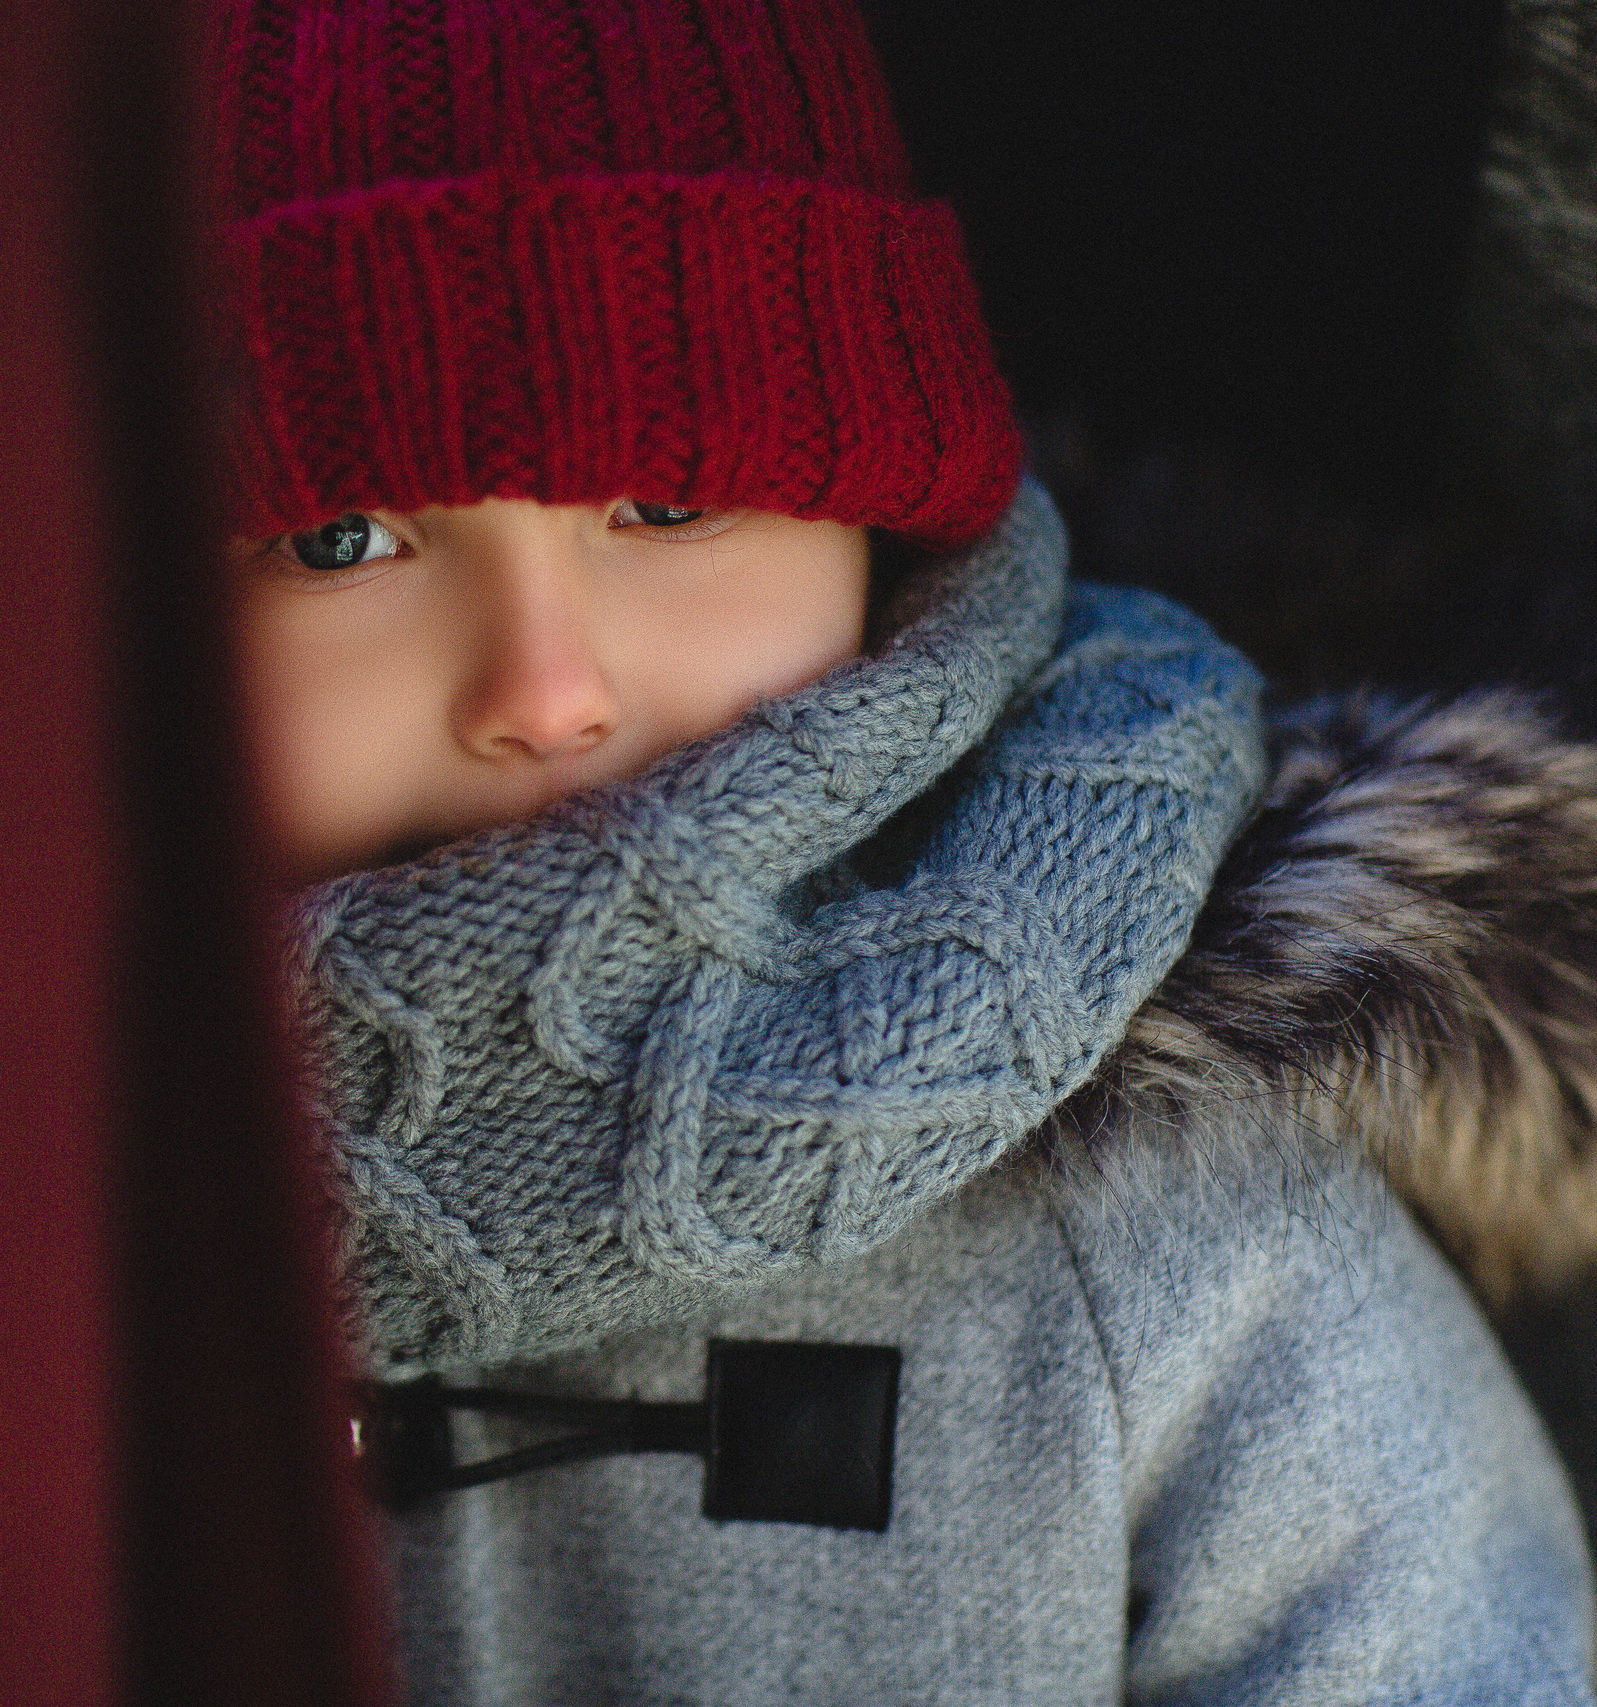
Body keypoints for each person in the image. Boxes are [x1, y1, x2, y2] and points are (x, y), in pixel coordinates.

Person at [210, 0, 1597, 1700]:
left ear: (878, 529)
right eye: (343, 537)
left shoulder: (1171, 1207)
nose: (544, 687)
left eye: (665, 501)